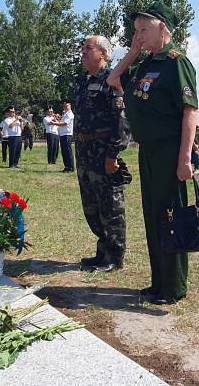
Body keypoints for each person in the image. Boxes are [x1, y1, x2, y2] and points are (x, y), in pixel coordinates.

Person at [108, 1, 198, 305]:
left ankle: (173, 286)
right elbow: (112, 79)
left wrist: (185, 157)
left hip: (168, 150)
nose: (139, 36)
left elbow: (189, 112)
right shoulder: (146, 64)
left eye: (143, 30)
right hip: (147, 151)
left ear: (163, 28)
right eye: (136, 32)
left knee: (170, 215)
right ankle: (159, 283)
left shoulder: (176, 62)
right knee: (154, 216)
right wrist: (133, 52)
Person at [73, 35, 131, 274]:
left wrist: (112, 156)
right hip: (84, 152)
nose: (83, 52)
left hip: (103, 152)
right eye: (83, 48)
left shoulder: (112, 80)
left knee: (110, 205)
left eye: (89, 48)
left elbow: (121, 121)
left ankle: (114, 256)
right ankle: (102, 250)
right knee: (91, 205)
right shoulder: (82, 81)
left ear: (103, 54)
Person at [53, 101, 75, 172]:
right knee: (64, 152)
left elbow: (64, 123)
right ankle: (67, 167)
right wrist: (56, 120)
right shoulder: (65, 114)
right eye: (64, 106)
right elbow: (61, 121)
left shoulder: (69, 114)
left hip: (67, 135)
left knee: (68, 152)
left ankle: (71, 168)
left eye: (67, 106)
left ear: (70, 106)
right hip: (63, 134)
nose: (65, 107)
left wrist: (54, 123)